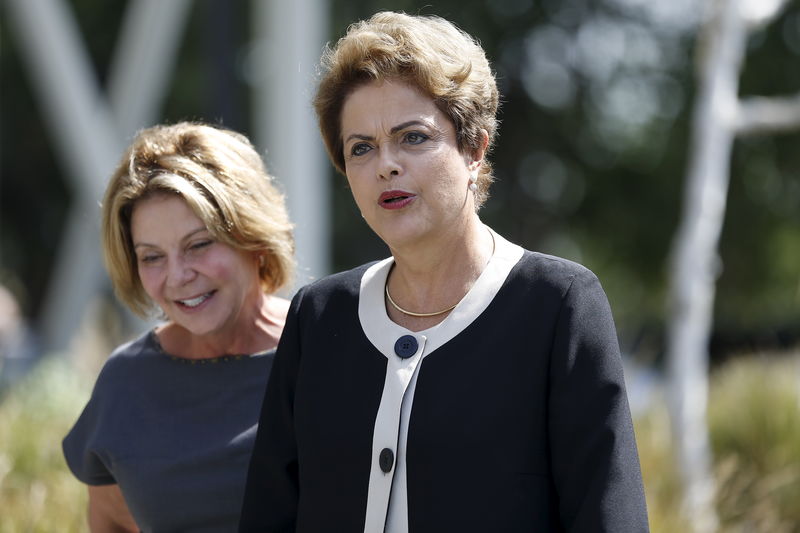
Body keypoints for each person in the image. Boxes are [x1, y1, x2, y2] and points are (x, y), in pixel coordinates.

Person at [240, 11, 649, 533]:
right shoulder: (319, 315)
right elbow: (270, 515)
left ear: (474, 147)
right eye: (360, 147)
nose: (386, 164)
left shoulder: (559, 304)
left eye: (412, 138)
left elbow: (607, 518)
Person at [63, 122, 294, 532]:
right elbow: (111, 521)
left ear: (253, 236)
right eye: (152, 257)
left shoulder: (328, 348)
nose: (178, 276)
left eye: (199, 244)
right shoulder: (127, 383)